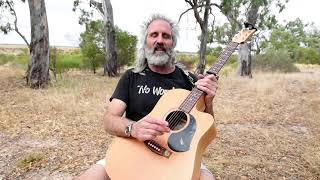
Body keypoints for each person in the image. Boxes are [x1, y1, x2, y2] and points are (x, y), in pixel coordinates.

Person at [76, 13, 218, 180]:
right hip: (133, 149)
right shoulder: (131, 77)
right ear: (145, 42)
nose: (160, 40)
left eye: (166, 36)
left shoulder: (190, 81)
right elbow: (109, 120)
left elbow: (204, 128)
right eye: (154, 35)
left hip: (177, 156)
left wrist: (208, 102)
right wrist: (133, 128)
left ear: (173, 43)